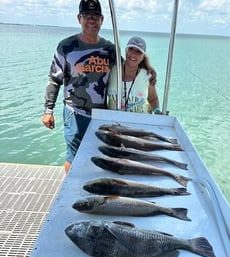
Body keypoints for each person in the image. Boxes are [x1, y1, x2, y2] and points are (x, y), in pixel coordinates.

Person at [42, 0, 116, 173]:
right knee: (73, 157)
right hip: (75, 113)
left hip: (101, 114)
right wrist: (48, 110)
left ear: (102, 20)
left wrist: (148, 70)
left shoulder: (110, 49)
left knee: (101, 156)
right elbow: (54, 79)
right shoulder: (66, 46)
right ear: (79, 18)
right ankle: (70, 191)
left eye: (96, 16)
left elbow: (127, 71)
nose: (91, 20)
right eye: (86, 15)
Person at [107, 36, 164, 115]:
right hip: (113, 121)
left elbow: (153, 98)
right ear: (126, 51)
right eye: (131, 49)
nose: (133, 54)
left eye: (138, 52)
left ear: (143, 57)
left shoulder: (147, 75)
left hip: (141, 122)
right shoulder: (112, 70)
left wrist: (158, 112)